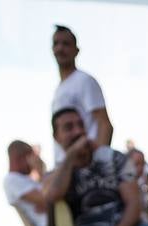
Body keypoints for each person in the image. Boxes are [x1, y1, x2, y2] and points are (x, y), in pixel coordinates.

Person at [50, 25, 112, 164]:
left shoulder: (84, 81)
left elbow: (104, 124)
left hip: (84, 165)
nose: (60, 48)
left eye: (66, 44)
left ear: (76, 50)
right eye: (56, 44)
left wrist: (99, 164)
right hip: (65, 167)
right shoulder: (60, 88)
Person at [4, 140, 48, 226]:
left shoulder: (25, 179)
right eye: (31, 157)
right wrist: (40, 171)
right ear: (20, 158)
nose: (35, 161)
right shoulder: (12, 179)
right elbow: (49, 197)